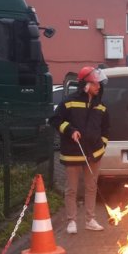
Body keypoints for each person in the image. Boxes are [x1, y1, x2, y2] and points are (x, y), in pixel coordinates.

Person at [48, 66, 109, 234]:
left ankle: (90, 220)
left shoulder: (101, 106)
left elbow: (106, 129)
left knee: (91, 188)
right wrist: (70, 130)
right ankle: (71, 221)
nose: (99, 87)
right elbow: (54, 119)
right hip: (72, 152)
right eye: (96, 84)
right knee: (72, 189)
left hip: (94, 154)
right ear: (86, 84)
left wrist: (102, 146)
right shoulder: (69, 101)